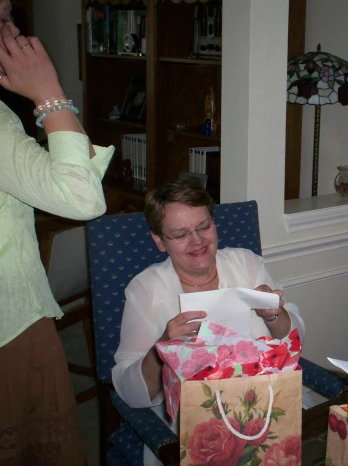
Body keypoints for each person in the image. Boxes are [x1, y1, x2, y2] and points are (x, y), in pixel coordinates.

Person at [0, 0, 113, 465]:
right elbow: (82, 200)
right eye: (3, 18)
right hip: (4, 324)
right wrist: (48, 92)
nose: (16, 33)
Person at [113, 178, 304, 466]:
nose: (197, 240)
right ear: (159, 241)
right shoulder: (144, 290)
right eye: (180, 234)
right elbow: (129, 391)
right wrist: (161, 350)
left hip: (264, 404)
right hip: (195, 426)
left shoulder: (246, 264)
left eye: (204, 226)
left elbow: (296, 339)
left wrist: (274, 313)